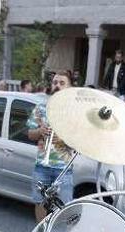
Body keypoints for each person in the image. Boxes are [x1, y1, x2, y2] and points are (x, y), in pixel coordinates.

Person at [27, 70, 74, 221]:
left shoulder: (73, 112)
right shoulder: (41, 107)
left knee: (63, 207)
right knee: (40, 202)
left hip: (63, 168)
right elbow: (30, 134)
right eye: (55, 82)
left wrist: (62, 137)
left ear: (69, 87)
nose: (57, 86)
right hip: (42, 165)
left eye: (62, 83)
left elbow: (77, 141)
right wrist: (40, 131)